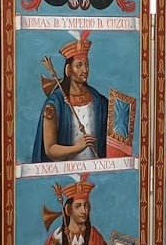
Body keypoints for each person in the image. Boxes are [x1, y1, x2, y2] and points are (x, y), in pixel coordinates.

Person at [32, 32, 110, 162]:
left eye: (86, 65)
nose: (85, 70)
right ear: (68, 69)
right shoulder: (55, 104)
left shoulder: (100, 102)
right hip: (66, 169)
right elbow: (50, 150)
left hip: (94, 169)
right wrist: (77, 148)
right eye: (79, 65)